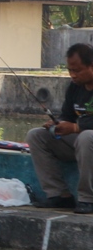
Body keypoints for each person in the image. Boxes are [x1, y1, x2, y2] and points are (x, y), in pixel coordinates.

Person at [27, 43, 93, 213]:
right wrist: (57, 124)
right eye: (70, 70)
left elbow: (77, 126)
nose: (73, 75)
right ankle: (59, 195)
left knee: (87, 136)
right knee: (36, 135)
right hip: (81, 144)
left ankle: (88, 198)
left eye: (77, 70)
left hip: (87, 141)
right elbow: (68, 115)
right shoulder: (74, 87)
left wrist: (76, 127)